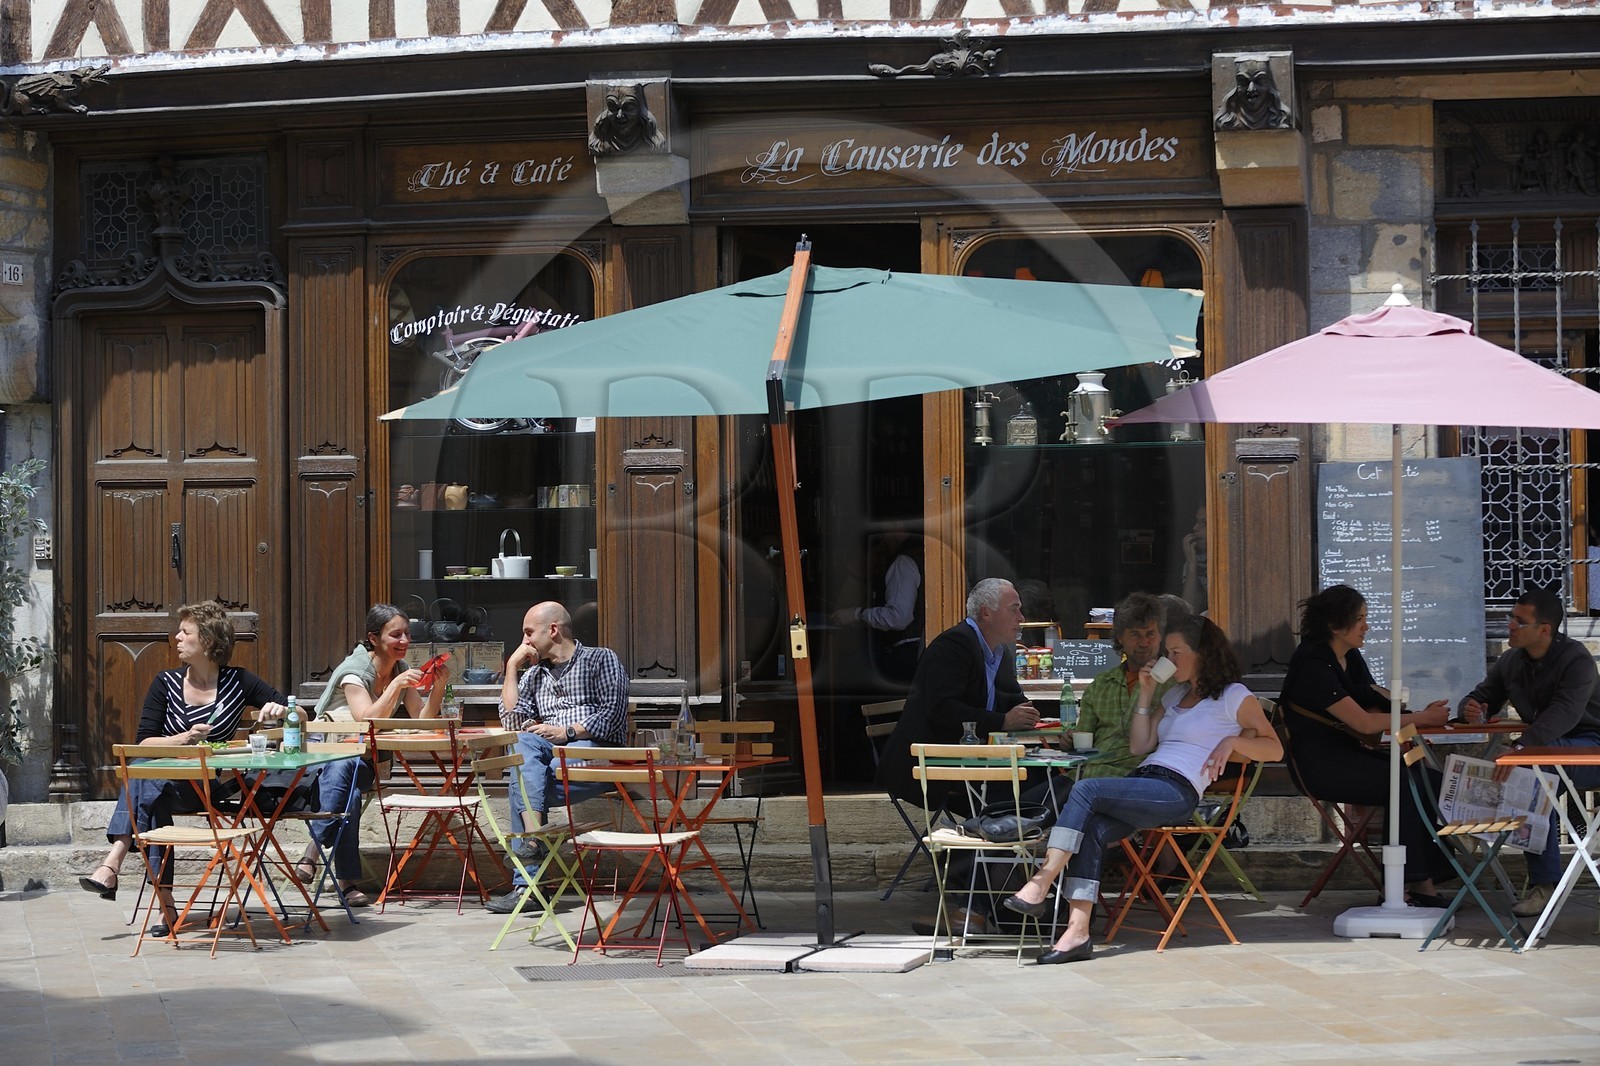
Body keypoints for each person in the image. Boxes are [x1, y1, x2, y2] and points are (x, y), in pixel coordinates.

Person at [1002, 614, 1281, 964]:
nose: (1169, 660)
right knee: (1090, 827)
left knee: (1086, 789)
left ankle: (1041, 881)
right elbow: (1139, 745)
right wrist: (1147, 694)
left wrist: (1232, 740)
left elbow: (1275, 748)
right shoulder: (1177, 692)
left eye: (1176, 652)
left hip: (1177, 791)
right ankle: (1077, 932)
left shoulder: (1233, 696)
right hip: (1146, 780)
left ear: (1203, 653)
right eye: (1169, 652)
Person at [79, 602, 288, 932]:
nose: (176, 637)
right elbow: (144, 743)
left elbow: (297, 714)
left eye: (185, 632)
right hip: (168, 784)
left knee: (144, 777)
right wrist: (184, 739)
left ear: (207, 640)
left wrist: (282, 711)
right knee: (150, 784)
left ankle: (115, 862)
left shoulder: (239, 681)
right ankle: (166, 905)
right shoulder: (165, 683)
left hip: (207, 787)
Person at [875, 578, 1042, 934]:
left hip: (971, 763)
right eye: (1014, 610)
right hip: (928, 766)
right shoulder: (953, 646)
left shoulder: (1000, 651)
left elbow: (1010, 697)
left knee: (1041, 786)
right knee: (1004, 800)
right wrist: (1001, 721)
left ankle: (993, 894)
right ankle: (975, 898)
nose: (1022, 618)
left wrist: (1031, 714)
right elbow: (941, 708)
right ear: (986, 612)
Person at [1279, 584, 1456, 907]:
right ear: (1335, 625)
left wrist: (1411, 718)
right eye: (1359, 619)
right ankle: (1405, 885)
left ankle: (1423, 878)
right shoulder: (1313, 664)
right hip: (1320, 764)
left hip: (1348, 753)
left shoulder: (1349, 657)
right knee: (1403, 783)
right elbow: (1362, 722)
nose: (1367, 626)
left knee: (1427, 779)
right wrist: (1423, 718)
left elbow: (1376, 703)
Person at [1459, 588, 1600, 917]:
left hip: (1591, 746)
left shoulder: (1576, 660)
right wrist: (1471, 707)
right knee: (1536, 778)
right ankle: (1536, 878)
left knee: (1534, 768)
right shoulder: (1512, 660)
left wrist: (1522, 748)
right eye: (1511, 617)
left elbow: (1563, 713)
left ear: (1544, 630)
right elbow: (1485, 696)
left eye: (1519, 621)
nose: (1509, 625)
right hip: (1546, 753)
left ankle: (1544, 884)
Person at [485, 601, 629, 915]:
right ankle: (534, 842)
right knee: (524, 754)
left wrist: (566, 732)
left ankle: (528, 886)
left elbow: (613, 718)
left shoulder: (600, 660)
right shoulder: (535, 674)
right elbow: (511, 723)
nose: (524, 642)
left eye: (528, 633)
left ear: (553, 630)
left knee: (521, 780)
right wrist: (511, 668)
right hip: (547, 762)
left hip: (592, 754)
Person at [309, 602, 446, 906]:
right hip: (320, 758)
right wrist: (395, 686)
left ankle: (313, 850)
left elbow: (423, 723)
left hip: (362, 760)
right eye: (396, 634)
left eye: (407, 634)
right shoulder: (353, 672)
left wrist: (438, 688)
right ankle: (346, 883)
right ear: (373, 639)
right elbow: (366, 720)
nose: (405, 641)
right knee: (351, 793)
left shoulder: (398, 670)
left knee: (349, 767)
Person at [1075, 592, 1178, 780]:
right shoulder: (1101, 684)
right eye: (1135, 634)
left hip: (1142, 776)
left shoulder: (1174, 683)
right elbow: (1083, 740)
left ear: (1161, 636)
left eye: (1150, 634)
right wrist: (1068, 740)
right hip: (1091, 772)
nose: (1144, 642)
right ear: (1120, 637)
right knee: (1035, 800)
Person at [831, 525, 924, 688]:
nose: (886, 538)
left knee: (844, 675)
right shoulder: (930, 554)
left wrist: (856, 614)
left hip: (907, 656)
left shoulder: (904, 562)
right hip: (923, 653)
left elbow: (898, 618)